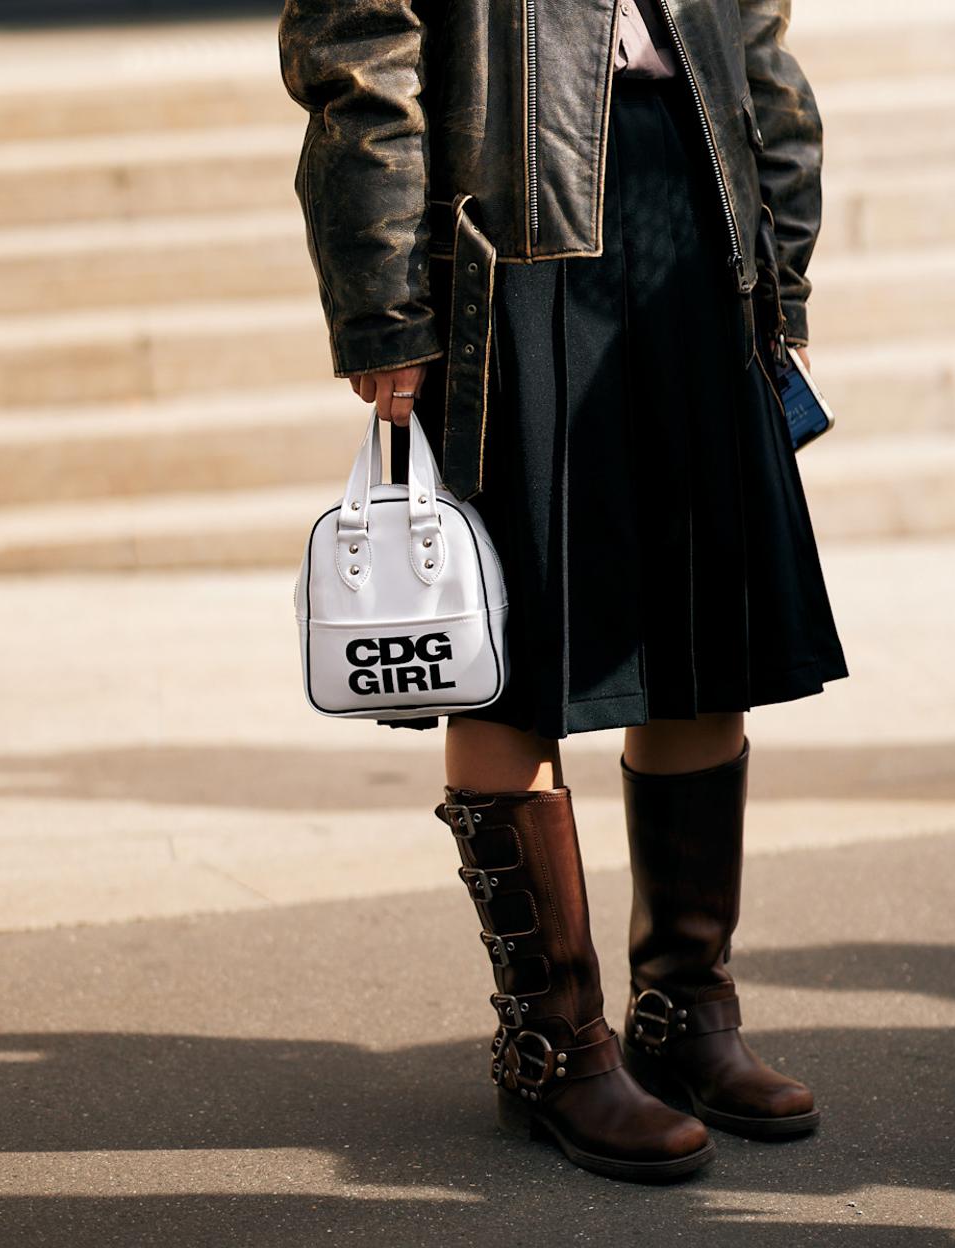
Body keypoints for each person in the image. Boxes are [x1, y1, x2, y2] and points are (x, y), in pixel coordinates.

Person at [279, 0, 848, 1180]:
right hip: (509, 236)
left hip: (695, 201)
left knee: (703, 633)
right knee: (518, 651)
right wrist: (386, 301)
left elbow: (756, 40)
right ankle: (556, 1045)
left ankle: (687, 1008)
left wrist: (779, 266)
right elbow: (358, 54)